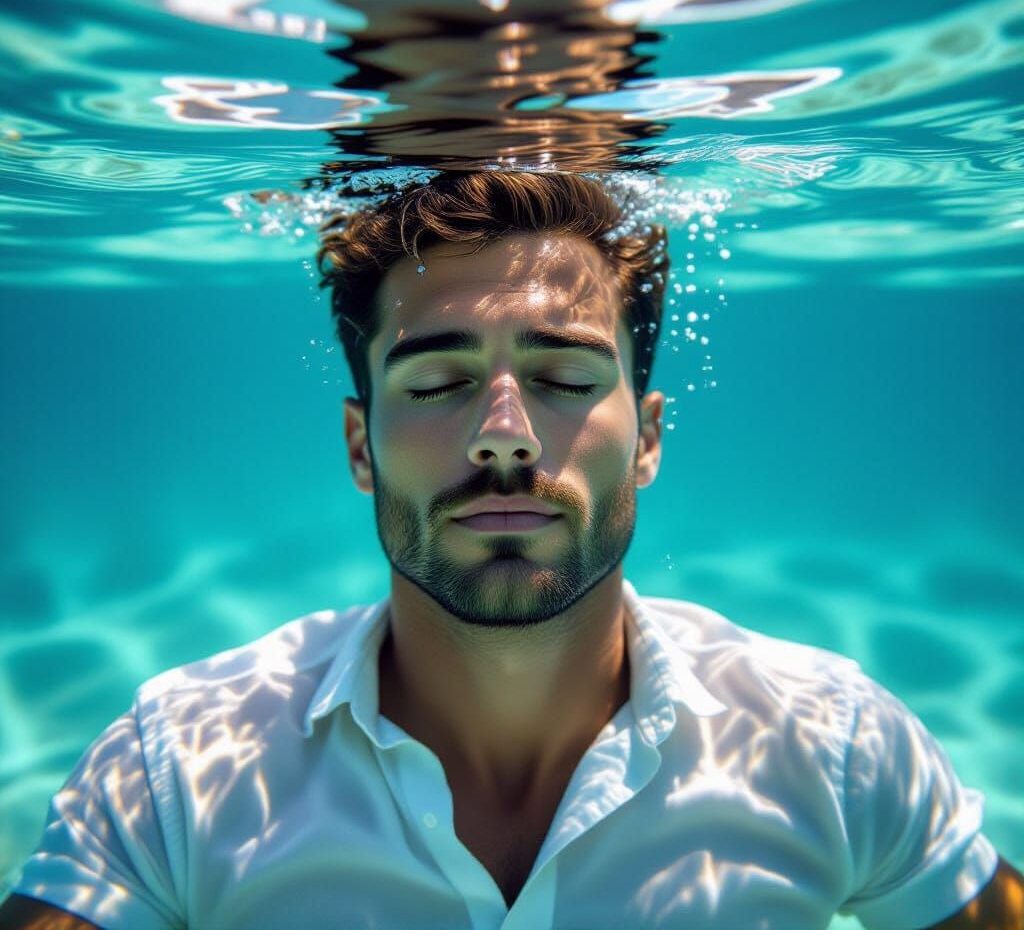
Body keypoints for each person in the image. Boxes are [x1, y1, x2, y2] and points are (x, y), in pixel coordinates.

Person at [2, 172, 1020, 930]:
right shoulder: (176, 761)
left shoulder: (834, 744)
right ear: (361, 445)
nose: (505, 431)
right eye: (438, 380)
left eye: (567, 376)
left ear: (652, 436)